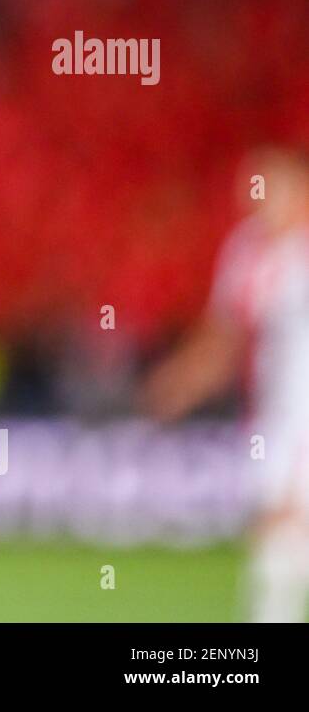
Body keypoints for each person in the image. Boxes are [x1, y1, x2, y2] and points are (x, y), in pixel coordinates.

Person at [146, 146, 309, 622]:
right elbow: (224, 339)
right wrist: (174, 388)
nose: (258, 196)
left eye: (270, 184)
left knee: (282, 523)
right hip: (272, 413)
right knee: (277, 525)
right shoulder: (247, 249)